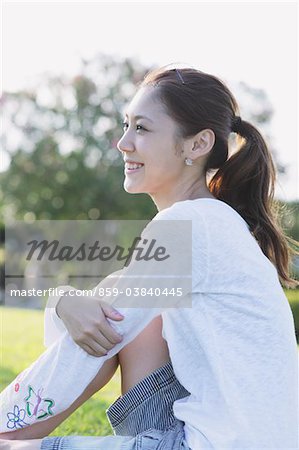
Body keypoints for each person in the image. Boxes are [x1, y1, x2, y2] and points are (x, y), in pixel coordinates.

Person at [0, 65, 298, 450]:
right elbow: (111, 304)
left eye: (141, 128)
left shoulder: (190, 223)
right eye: (126, 126)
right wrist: (64, 301)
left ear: (197, 144)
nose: (123, 143)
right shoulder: (213, 221)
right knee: (135, 317)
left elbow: (99, 334)